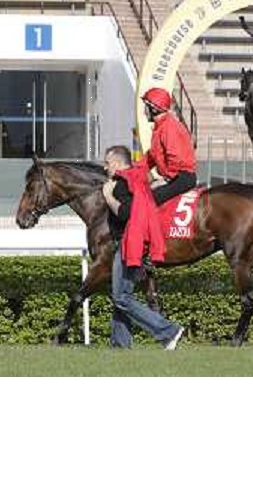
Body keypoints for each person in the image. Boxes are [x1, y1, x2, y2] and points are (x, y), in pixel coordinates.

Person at [102, 145, 184, 350]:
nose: (105, 168)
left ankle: (168, 330)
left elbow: (126, 213)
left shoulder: (121, 183)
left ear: (119, 164)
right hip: (137, 242)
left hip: (130, 243)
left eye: (107, 163)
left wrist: (108, 197)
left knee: (122, 297)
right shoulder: (137, 177)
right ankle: (120, 345)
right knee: (121, 294)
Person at [139, 87, 197, 206]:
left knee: (148, 199)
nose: (144, 111)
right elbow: (151, 157)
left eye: (146, 106)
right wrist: (133, 171)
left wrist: (165, 180)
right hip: (174, 176)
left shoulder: (168, 127)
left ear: (154, 109)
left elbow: (174, 158)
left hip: (180, 178)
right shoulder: (161, 127)